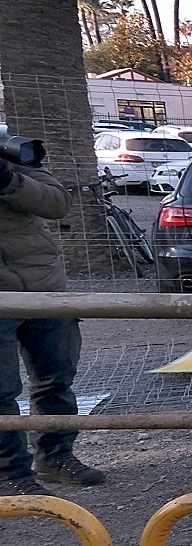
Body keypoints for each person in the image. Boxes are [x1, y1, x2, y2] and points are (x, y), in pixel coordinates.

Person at [0, 138, 106, 495]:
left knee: (56, 378)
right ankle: (11, 474)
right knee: (0, 392)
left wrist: (9, 181)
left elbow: (58, 203)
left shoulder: (10, 156)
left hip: (43, 287)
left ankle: (55, 456)